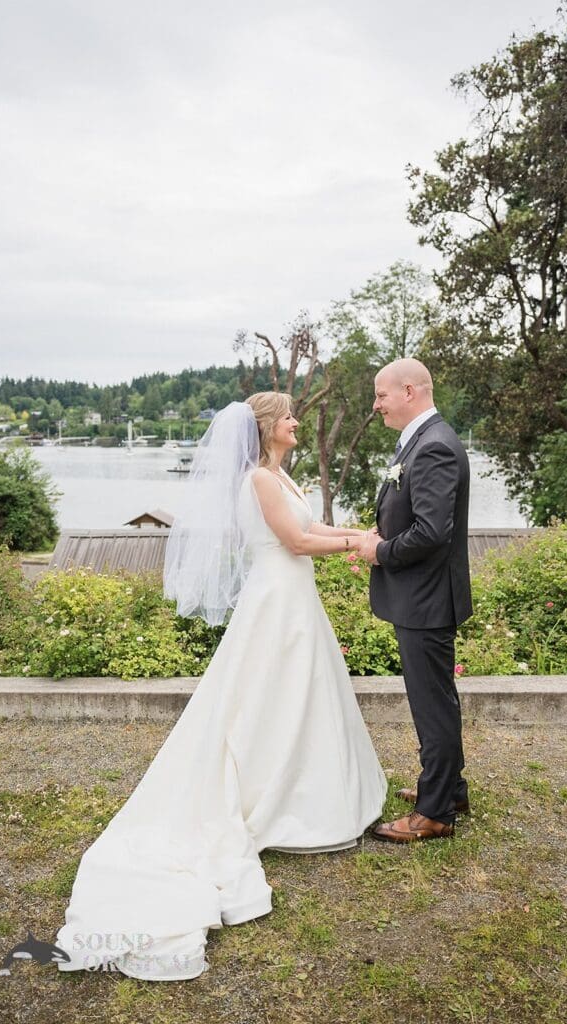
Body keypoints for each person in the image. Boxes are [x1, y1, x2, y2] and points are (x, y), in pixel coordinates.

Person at [55, 393, 387, 980]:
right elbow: (297, 542)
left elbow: (313, 524)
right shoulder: (258, 480)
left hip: (295, 601)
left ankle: (312, 788)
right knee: (267, 701)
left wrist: (361, 529)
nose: (295, 422)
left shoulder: (280, 476)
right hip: (275, 602)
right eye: (287, 417)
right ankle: (272, 796)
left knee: (300, 699)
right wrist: (360, 548)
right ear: (265, 428)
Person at [357, 358, 472, 843]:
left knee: (432, 705)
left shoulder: (435, 447)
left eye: (381, 395)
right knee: (436, 699)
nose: (376, 404)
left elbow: (431, 533)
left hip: (426, 600)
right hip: (421, 596)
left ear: (409, 391)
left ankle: (436, 813)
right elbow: (414, 516)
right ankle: (450, 789)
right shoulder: (424, 441)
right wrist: (377, 535)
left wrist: (380, 552)